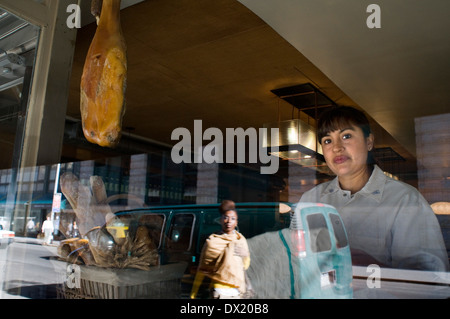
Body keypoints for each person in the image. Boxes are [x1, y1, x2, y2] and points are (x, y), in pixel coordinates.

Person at [299, 106, 449, 271]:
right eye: (328, 140)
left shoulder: (405, 199)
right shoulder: (310, 200)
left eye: (346, 136)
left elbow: (432, 281)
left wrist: (371, 267)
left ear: (369, 142)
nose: (336, 147)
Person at [190, 200, 251, 299]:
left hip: (237, 293)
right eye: (226, 218)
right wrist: (193, 294)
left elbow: (245, 266)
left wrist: (246, 255)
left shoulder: (241, 241)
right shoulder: (212, 241)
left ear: (236, 222)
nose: (229, 221)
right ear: (221, 220)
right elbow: (202, 269)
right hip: (219, 292)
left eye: (232, 218)